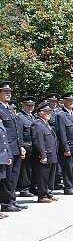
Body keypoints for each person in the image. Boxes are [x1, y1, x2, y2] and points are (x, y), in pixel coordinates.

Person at [0, 81, 26, 213]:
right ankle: (6, 203)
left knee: (14, 177)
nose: (8, 94)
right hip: (6, 149)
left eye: (9, 92)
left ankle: (12, 200)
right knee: (7, 178)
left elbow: (16, 130)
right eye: (5, 92)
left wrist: (21, 146)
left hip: (16, 147)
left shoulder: (9, 109)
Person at [56, 93, 73, 195]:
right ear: (64, 102)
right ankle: (68, 187)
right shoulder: (61, 115)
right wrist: (65, 148)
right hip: (68, 146)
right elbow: (62, 133)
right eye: (69, 100)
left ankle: (72, 185)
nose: (72, 102)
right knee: (68, 168)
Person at [31, 102, 58, 204]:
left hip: (51, 154)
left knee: (49, 176)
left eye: (50, 111)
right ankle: (41, 196)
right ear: (40, 113)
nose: (49, 113)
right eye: (47, 111)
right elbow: (38, 141)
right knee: (43, 176)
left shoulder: (46, 124)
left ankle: (48, 193)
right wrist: (42, 155)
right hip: (45, 155)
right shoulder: (37, 124)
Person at [15, 96, 36, 198]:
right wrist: (21, 146)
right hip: (26, 146)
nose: (30, 107)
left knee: (32, 169)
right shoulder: (20, 117)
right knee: (25, 169)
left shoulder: (33, 116)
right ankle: (24, 189)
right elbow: (19, 134)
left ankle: (32, 187)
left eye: (32, 105)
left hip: (34, 146)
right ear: (23, 105)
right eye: (28, 105)